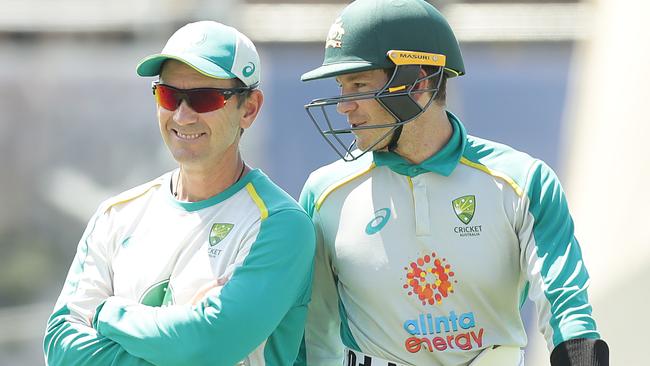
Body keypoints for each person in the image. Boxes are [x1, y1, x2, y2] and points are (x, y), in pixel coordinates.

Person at [296, 0, 609, 365]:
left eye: (359, 85)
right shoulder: (324, 193)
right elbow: (312, 334)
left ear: (419, 83)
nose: (343, 106)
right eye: (342, 86)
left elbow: (566, 310)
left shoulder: (524, 181)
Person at [43, 21, 315, 366]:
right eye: (169, 95)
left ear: (249, 109)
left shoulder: (280, 225)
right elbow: (61, 348)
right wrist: (182, 337)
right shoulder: (116, 215)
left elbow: (209, 346)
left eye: (204, 98)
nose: (183, 116)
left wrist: (108, 313)